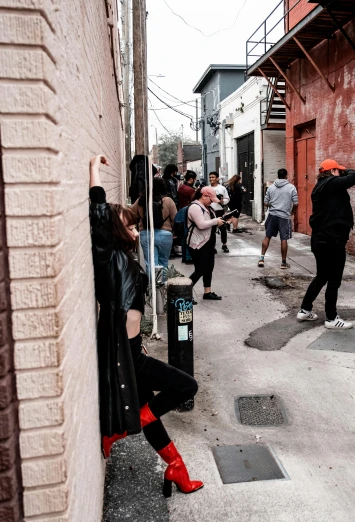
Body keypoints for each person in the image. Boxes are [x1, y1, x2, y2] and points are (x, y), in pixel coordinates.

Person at [88, 154, 203, 498]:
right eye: (127, 224)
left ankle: (177, 469)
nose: (135, 227)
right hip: (126, 356)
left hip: (132, 349)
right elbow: (97, 214)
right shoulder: (108, 257)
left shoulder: (125, 256)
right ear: (113, 232)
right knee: (186, 387)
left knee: (150, 408)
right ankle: (123, 431)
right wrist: (93, 170)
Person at [296, 159, 355, 329]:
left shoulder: (321, 186)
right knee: (334, 280)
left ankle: (305, 309)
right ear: (332, 172)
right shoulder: (330, 183)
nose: (340, 173)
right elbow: (354, 177)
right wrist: (347, 169)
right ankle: (331, 319)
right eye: (337, 171)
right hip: (332, 240)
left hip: (320, 239)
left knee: (321, 276)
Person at [133, 177, 177, 280]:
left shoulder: (142, 200)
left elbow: (131, 213)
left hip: (146, 234)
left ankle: (152, 289)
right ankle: (161, 288)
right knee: (163, 262)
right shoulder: (168, 201)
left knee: (151, 263)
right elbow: (175, 218)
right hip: (165, 235)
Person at [187, 186, 226, 301]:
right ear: (204, 196)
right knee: (200, 269)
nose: (211, 202)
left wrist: (219, 221)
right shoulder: (195, 207)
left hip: (208, 242)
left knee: (209, 268)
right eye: (210, 199)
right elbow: (201, 224)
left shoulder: (206, 207)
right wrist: (215, 221)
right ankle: (185, 292)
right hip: (198, 243)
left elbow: (209, 222)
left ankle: (207, 292)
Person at [259, 168, 298, 269]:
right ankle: (283, 263)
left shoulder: (271, 187)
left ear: (278, 175)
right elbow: (296, 203)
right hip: (284, 216)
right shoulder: (291, 187)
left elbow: (266, 202)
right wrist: (292, 212)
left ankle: (261, 259)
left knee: (267, 236)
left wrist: (272, 205)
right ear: (286, 176)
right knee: (284, 239)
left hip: (272, 215)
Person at [208, 171, 230, 253]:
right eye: (210, 177)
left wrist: (222, 201)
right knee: (212, 229)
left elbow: (227, 199)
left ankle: (224, 244)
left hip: (220, 210)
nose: (211, 179)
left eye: (213, 177)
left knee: (223, 228)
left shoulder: (222, 188)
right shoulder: (207, 188)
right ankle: (212, 246)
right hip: (210, 211)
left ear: (217, 178)